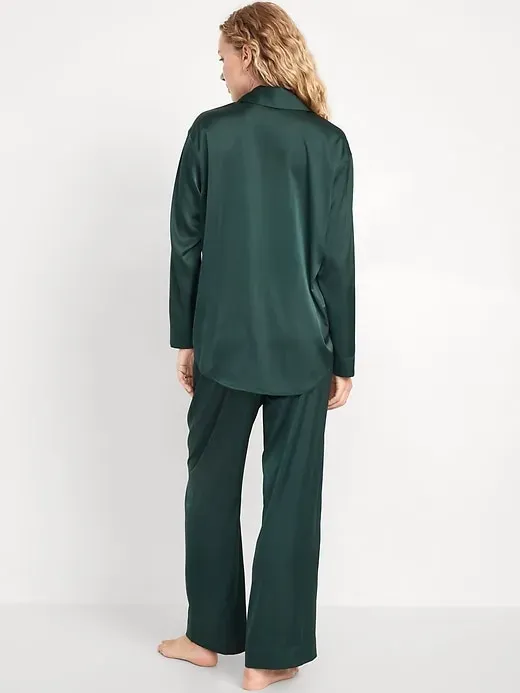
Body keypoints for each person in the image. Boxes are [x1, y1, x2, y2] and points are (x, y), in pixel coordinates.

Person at [157, 2, 355, 690]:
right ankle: (271, 657)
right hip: (304, 347)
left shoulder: (210, 132)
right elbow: (336, 260)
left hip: (222, 344)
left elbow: (186, 245)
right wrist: (344, 358)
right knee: (293, 498)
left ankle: (206, 637)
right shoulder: (328, 143)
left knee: (210, 488)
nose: (220, 69)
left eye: (224, 56)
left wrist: (185, 339)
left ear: (250, 50)